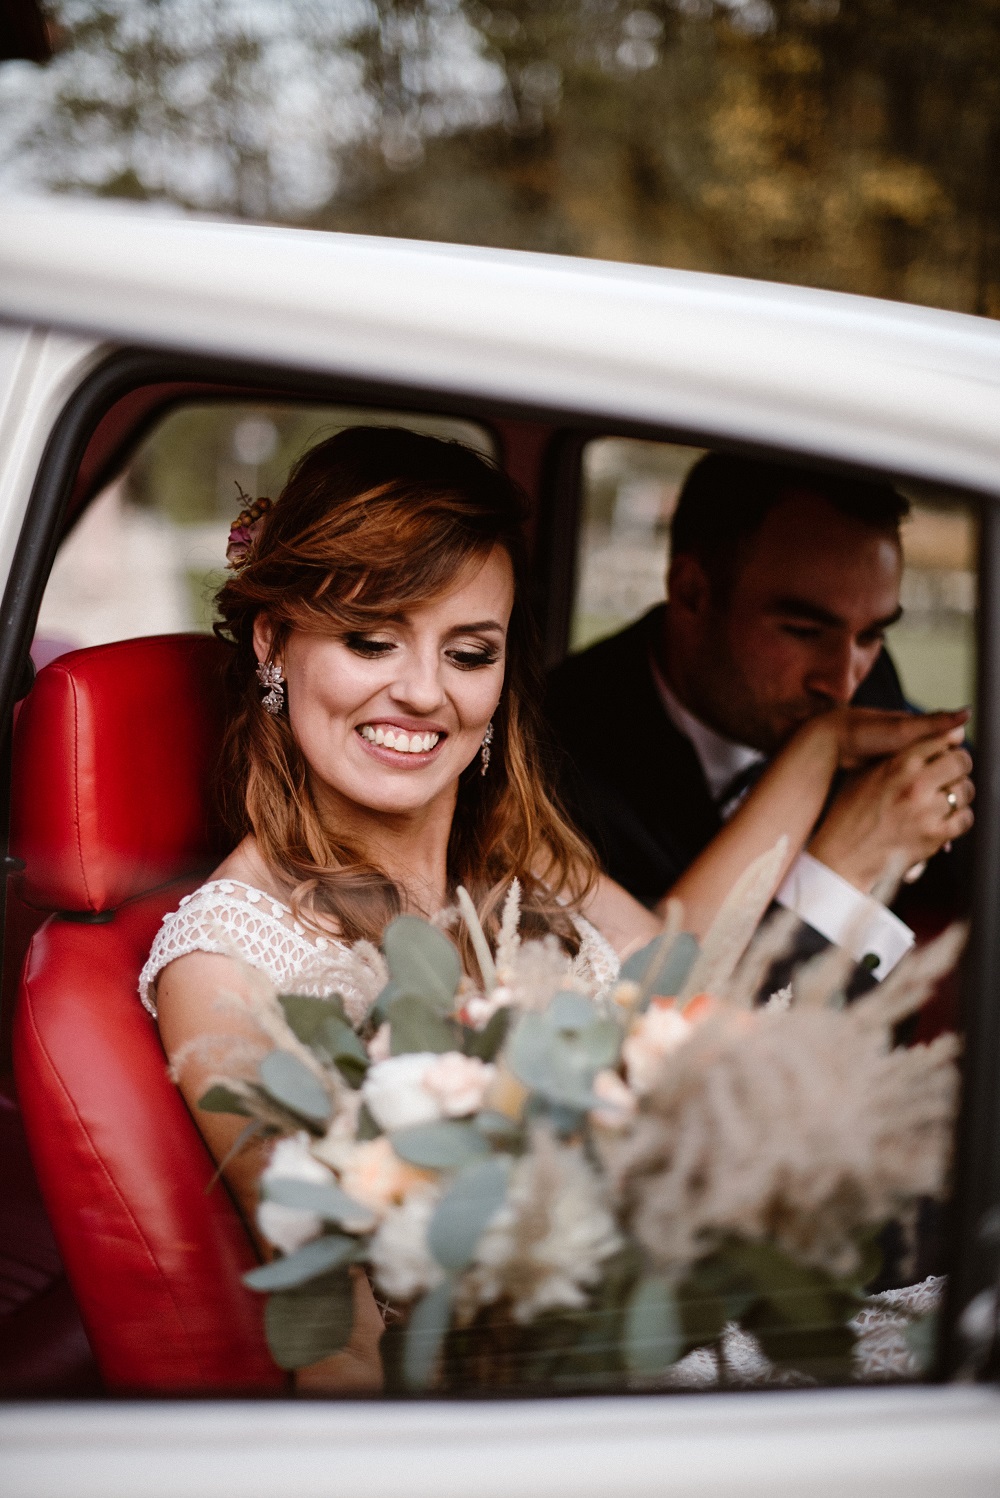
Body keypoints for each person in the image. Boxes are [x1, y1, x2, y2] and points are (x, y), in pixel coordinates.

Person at [139, 428, 970, 1393]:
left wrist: (817, 747)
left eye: (469, 652)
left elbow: (686, 978)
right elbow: (343, 1342)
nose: (424, 693)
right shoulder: (227, 964)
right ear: (273, 642)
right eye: (371, 641)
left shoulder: (513, 854)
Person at [546, 453, 975, 986]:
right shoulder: (558, 757)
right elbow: (659, 1009)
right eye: (803, 631)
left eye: (871, 635)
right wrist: (839, 875)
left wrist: (942, 806)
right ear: (692, 593)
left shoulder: (869, 692)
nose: (843, 684)